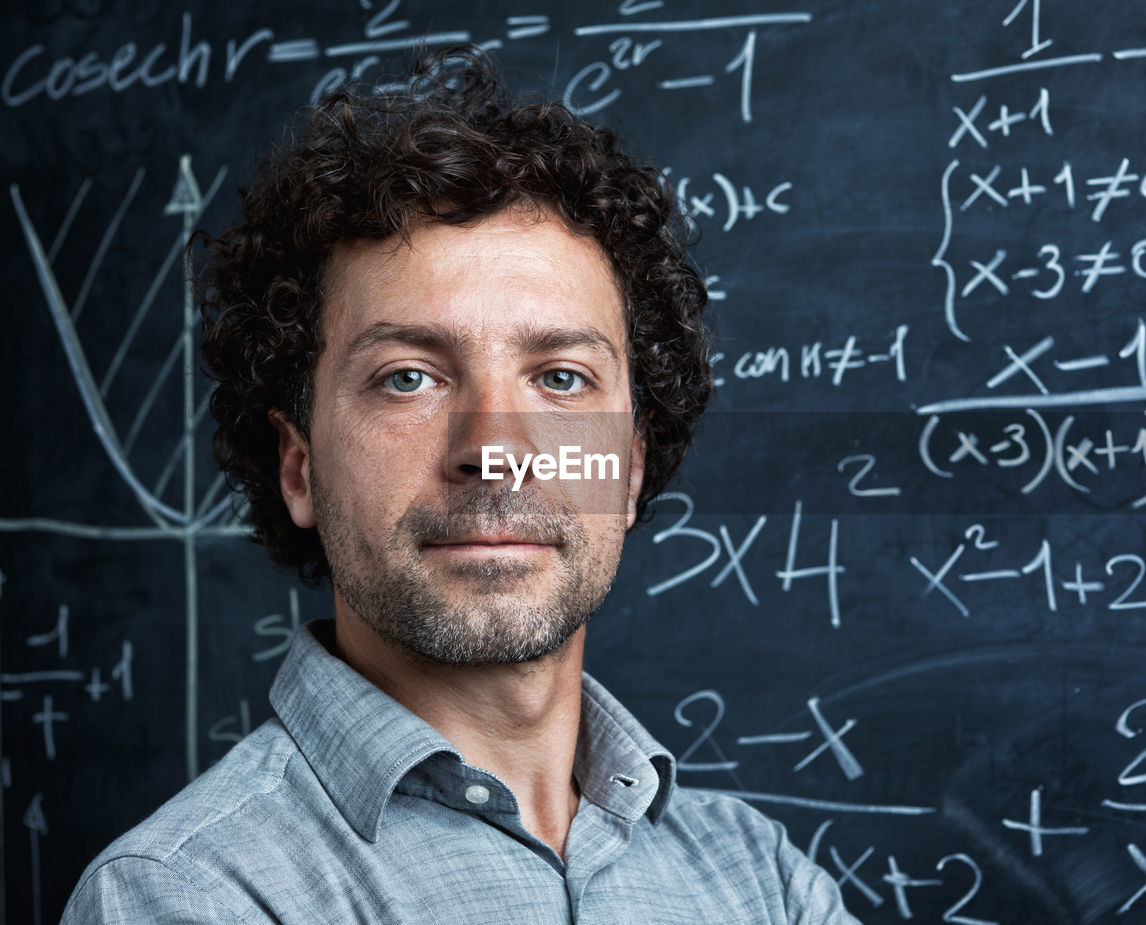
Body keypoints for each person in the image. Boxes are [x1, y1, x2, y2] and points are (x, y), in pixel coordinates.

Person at [61, 47, 859, 924]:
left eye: (560, 378)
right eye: (408, 377)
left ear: (626, 469)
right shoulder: (184, 895)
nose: (494, 450)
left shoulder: (763, 881)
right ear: (299, 468)